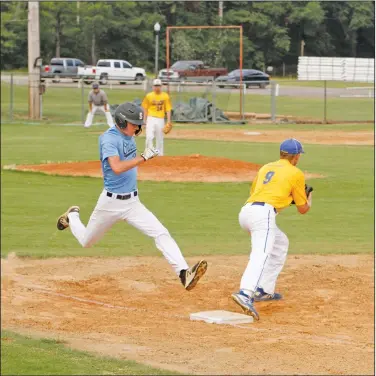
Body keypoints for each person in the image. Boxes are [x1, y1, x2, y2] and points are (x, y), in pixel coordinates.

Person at [58, 101, 207, 291]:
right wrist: (143, 158)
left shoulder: (129, 135)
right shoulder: (108, 139)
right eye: (134, 124)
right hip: (110, 203)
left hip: (133, 203)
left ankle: (184, 273)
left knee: (160, 232)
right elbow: (117, 167)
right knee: (87, 242)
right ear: (121, 122)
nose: (137, 128)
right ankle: (72, 216)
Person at [231, 139, 313, 320]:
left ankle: (264, 290)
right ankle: (245, 293)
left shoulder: (266, 168)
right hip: (263, 215)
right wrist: (310, 198)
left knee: (280, 243)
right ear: (296, 156)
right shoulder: (295, 173)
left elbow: (258, 191)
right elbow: (303, 208)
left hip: (246, 212)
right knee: (260, 254)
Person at [141, 79, 172, 156]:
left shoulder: (165, 96)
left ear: (161, 86)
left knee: (159, 138)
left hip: (160, 119)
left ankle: (160, 155)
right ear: (153, 87)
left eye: (158, 86)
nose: (157, 87)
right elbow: (145, 109)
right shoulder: (149, 96)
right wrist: (144, 121)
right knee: (149, 136)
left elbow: (168, 109)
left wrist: (168, 121)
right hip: (150, 118)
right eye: (155, 86)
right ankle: (149, 153)